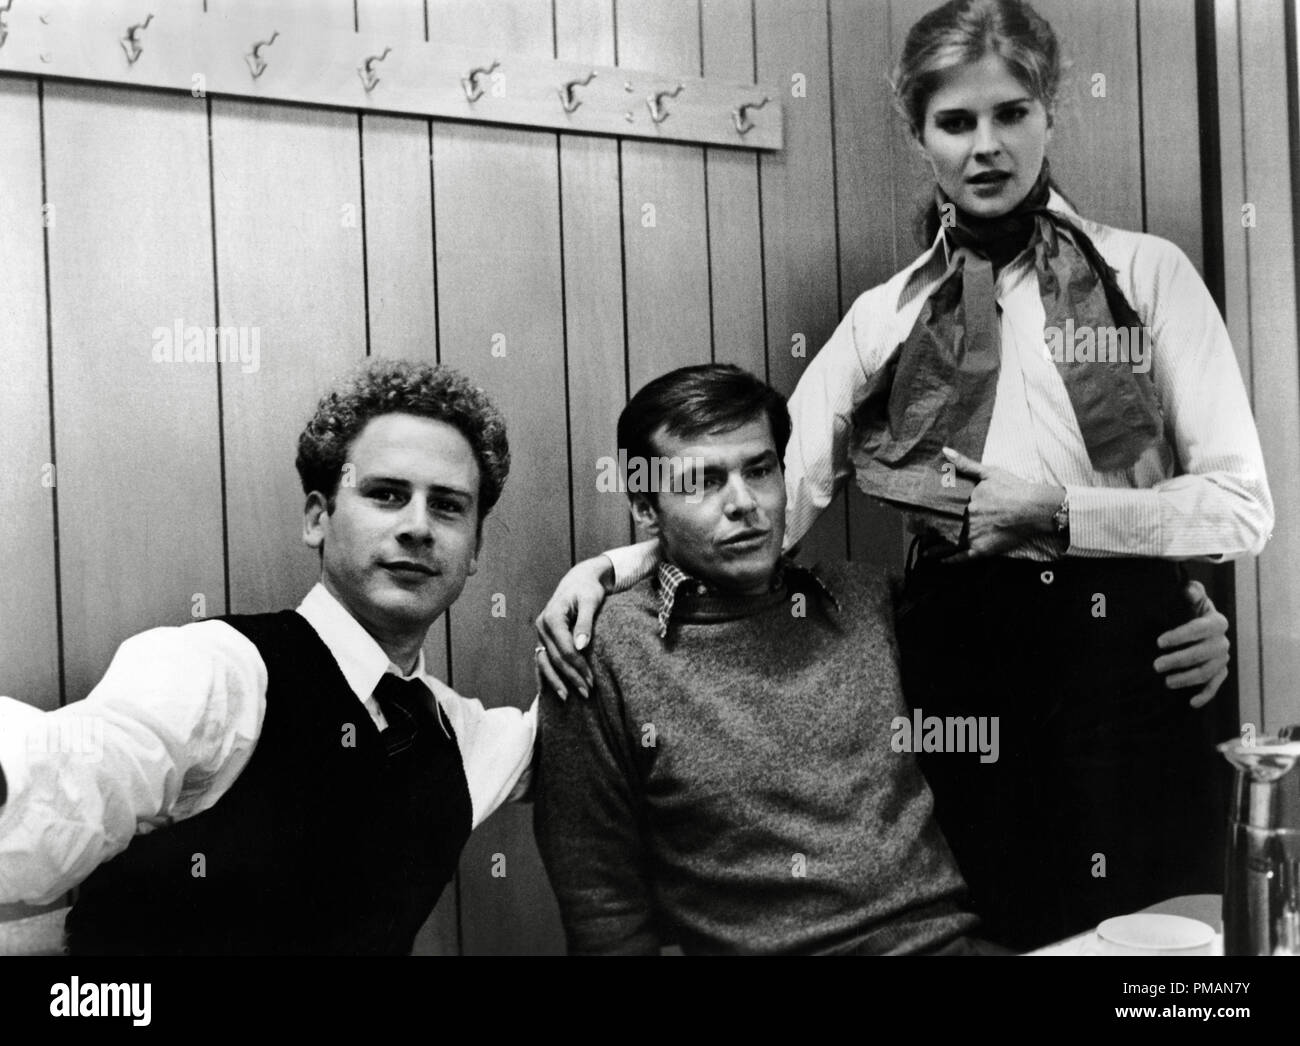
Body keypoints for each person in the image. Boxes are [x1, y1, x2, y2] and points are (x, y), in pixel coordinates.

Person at [535, 0, 1271, 950]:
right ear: (920, 137)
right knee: (1017, 929)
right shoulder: (888, 315)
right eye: (956, 122)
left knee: (1183, 954)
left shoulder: (1150, 275)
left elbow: (1242, 508)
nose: (987, 146)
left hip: (1138, 647)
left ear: (1050, 110)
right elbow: (774, 491)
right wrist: (608, 571)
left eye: (1011, 112)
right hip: (963, 657)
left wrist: (1060, 515)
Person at [0, 359, 536, 955]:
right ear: (317, 517)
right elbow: (80, 766)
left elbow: (603, 732)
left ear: (476, 549)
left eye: (447, 506)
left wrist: (612, 571)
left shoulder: (468, 738)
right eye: (385, 495)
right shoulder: (221, 669)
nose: (417, 527)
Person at [534, 364, 992, 955]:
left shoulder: (864, 601)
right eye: (701, 480)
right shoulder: (603, 651)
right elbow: (601, 902)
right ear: (645, 508)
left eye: (760, 470)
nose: (744, 503)